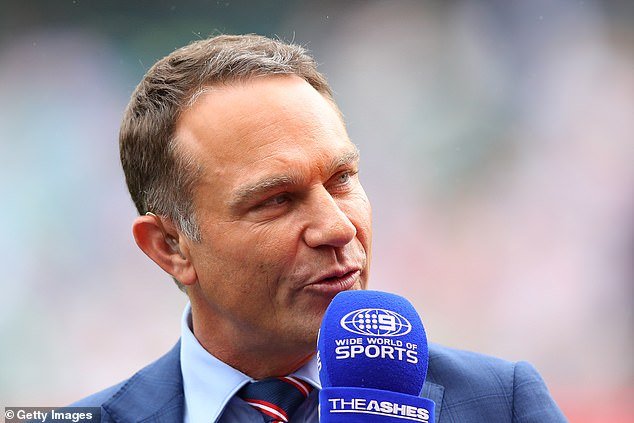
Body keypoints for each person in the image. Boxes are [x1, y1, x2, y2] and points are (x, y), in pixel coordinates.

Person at [73, 34, 567, 422]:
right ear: (171, 246)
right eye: (277, 200)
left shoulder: (500, 404)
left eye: (342, 179)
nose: (337, 227)